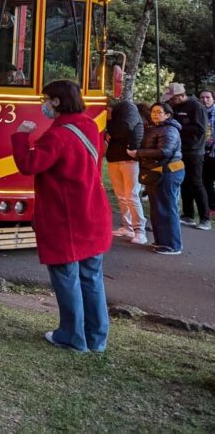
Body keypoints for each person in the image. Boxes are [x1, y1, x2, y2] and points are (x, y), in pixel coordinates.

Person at [11, 79, 112, 353]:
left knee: (66, 276)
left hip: (66, 218)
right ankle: (97, 338)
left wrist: (21, 136)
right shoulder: (89, 125)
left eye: (46, 99)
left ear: (56, 101)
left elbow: (29, 164)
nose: (44, 104)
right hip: (93, 212)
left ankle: (71, 336)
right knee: (92, 277)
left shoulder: (57, 136)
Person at [128, 103, 185, 255]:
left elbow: (165, 151)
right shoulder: (156, 128)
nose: (155, 114)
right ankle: (162, 242)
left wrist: (139, 153)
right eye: (153, 111)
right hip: (158, 172)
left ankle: (172, 244)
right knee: (158, 208)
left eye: (159, 112)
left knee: (167, 208)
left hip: (168, 172)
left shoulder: (170, 129)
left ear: (168, 115)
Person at [164, 82, 210, 230]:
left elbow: (200, 129)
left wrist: (179, 127)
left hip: (194, 150)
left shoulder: (196, 107)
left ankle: (205, 218)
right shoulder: (176, 106)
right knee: (183, 182)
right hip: (179, 150)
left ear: (181, 95)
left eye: (173, 98)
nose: (171, 101)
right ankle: (188, 214)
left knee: (196, 183)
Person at [106, 95, 147, 244]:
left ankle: (139, 230)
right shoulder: (120, 114)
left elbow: (123, 129)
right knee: (122, 196)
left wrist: (110, 128)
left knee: (132, 196)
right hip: (115, 157)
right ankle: (127, 227)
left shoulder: (127, 109)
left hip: (129, 158)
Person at [200, 90, 215, 219]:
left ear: (213, 99)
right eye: (202, 97)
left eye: (208, 97)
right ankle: (211, 207)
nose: (205, 100)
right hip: (203, 150)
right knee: (206, 180)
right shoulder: (200, 112)